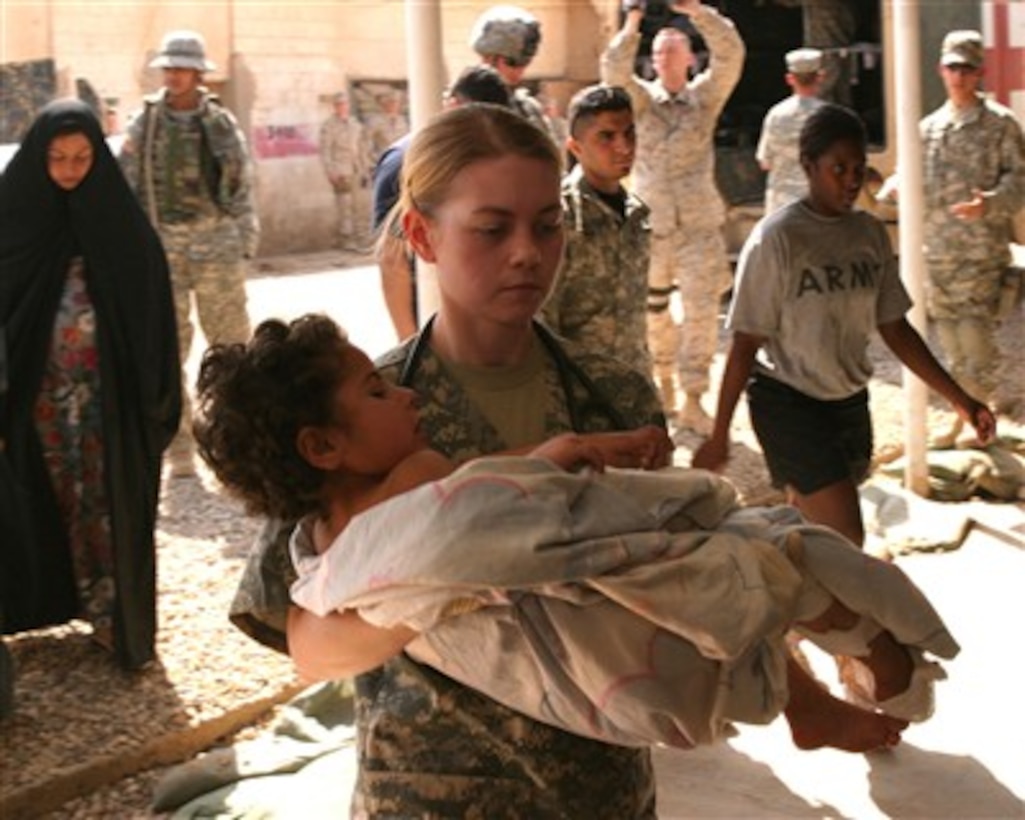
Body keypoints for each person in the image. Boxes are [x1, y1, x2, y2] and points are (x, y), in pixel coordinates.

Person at [198, 314, 957, 756]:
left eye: (546, 222)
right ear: (321, 447)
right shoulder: (372, 514)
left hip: (587, 687)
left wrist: (554, 457)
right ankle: (864, 645)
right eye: (376, 392)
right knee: (762, 556)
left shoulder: (587, 371)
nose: (402, 393)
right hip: (545, 693)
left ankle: (841, 663)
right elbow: (457, 528)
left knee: (751, 562)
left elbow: (485, 493)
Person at [229, 103, 672, 817]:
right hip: (428, 794)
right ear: (421, 235)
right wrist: (460, 568)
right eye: (492, 229)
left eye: (547, 225)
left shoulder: (612, 398)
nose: (526, 252)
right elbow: (309, 646)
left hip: (596, 789)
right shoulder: (356, 416)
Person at [692, 104, 997, 550]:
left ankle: (795, 607)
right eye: (838, 168)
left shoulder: (869, 235)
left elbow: (897, 330)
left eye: (858, 168)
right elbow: (744, 343)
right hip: (788, 402)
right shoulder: (778, 237)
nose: (851, 180)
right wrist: (719, 437)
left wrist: (961, 400)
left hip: (849, 404)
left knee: (814, 532)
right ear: (808, 166)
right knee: (847, 535)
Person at [0, 99, 181, 673]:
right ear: (38, 158)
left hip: (107, 404)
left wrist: (152, 398)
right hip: (33, 401)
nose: (71, 170)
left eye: (82, 158)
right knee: (39, 497)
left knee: (105, 504)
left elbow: (151, 312)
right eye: (57, 158)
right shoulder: (11, 219)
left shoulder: (121, 226)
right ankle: (34, 607)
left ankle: (109, 617)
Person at [118, 29, 257, 479]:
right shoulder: (146, 122)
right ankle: (178, 445)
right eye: (169, 68)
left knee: (231, 345)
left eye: (182, 68)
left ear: (198, 74)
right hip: (164, 243)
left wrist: (242, 237)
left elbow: (241, 181)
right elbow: (128, 181)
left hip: (214, 239)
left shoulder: (219, 123)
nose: (174, 75)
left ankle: (237, 439)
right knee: (168, 346)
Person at [602, 0, 745, 432]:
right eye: (659, 51)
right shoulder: (640, 102)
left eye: (674, 49)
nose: (665, 56)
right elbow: (612, 70)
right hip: (653, 227)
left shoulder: (705, 99)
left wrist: (697, 12)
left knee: (702, 312)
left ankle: (695, 397)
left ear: (689, 59)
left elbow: (732, 52)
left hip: (699, 226)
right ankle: (662, 378)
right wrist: (634, 22)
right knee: (653, 311)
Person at [904, 30, 1024, 446]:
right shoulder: (929, 128)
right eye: (953, 67)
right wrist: (894, 187)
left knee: (976, 338)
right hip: (937, 252)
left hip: (979, 253)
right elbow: (913, 173)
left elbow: (1020, 180)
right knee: (951, 342)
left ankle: (980, 418)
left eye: (968, 68)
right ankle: (964, 415)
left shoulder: (1000, 124)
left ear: (980, 72)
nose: (959, 76)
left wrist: (990, 204)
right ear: (941, 69)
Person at [371, 66, 512, 341]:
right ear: (451, 106)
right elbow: (392, 259)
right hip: (429, 320)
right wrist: (409, 342)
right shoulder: (403, 163)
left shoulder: (495, 158)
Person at [540, 84, 652, 373]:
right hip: (581, 389)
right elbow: (541, 319)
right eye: (606, 136)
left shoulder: (636, 214)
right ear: (575, 147)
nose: (624, 147)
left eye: (629, 133)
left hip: (633, 384)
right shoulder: (559, 217)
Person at [756, 47, 826, 216]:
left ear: (789, 79)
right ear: (821, 77)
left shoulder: (776, 115)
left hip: (782, 206)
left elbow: (765, 162)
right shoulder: (831, 117)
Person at [469, 4, 552, 136]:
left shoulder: (528, 110)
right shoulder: (464, 105)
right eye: (512, 63)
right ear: (488, 59)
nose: (519, 72)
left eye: (524, 63)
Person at [319, 90, 373, 252]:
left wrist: (366, 168)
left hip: (357, 168)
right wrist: (330, 171)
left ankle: (361, 239)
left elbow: (361, 148)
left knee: (360, 205)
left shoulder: (355, 124)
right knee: (345, 206)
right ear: (335, 107)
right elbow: (325, 150)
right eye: (339, 104)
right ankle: (346, 240)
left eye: (345, 104)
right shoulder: (329, 126)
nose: (342, 107)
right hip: (341, 169)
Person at [367, 88, 408, 162]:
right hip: (384, 160)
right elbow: (366, 143)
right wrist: (376, 159)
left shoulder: (402, 121)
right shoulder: (375, 121)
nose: (394, 106)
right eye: (390, 102)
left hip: (401, 160)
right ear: (384, 104)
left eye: (396, 103)